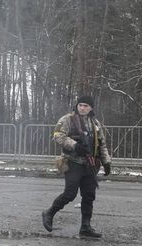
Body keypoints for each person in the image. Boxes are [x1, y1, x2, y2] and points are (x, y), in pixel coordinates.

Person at [42, 94, 112, 238]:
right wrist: (75, 146)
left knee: (89, 195)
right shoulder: (67, 119)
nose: (82, 108)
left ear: (91, 108)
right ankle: (49, 213)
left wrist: (106, 162)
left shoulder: (95, 123)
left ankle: (85, 227)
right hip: (72, 162)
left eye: (86, 106)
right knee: (70, 194)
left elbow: (102, 144)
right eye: (80, 105)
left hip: (90, 164)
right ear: (77, 106)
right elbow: (58, 136)